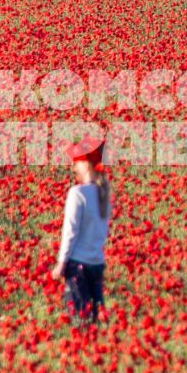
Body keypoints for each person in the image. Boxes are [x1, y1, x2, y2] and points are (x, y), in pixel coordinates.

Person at [52, 136, 111, 322]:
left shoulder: (77, 193)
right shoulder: (105, 194)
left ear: (85, 164)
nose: (74, 166)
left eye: (76, 162)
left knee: (80, 320)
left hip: (78, 265)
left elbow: (70, 231)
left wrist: (61, 263)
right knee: (93, 319)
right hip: (97, 264)